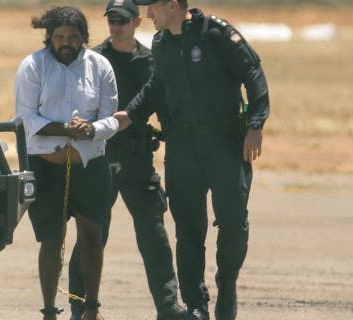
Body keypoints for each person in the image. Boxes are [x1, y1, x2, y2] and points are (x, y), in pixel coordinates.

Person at [113, 1, 270, 319]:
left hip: (225, 145)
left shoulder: (217, 34)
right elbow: (157, 86)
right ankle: (196, 304)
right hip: (183, 147)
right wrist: (129, 115)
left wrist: (255, 125)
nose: (149, 15)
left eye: (152, 8)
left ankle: (226, 289)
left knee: (232, 223)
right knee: (188, 229)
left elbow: (253, 74)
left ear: (172, 5)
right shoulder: (161, 42)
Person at [67, 1, 186, 319]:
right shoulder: (92, 60)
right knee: (93, 234)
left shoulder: (151, 61)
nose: (115, 25)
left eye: (122, 20)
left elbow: (165, 106)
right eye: (111, 19)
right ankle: (80, 307)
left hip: (137, 159)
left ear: (136, 21)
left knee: (153, 233)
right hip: (99, 157)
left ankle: (168, 306)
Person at [14, 6, 120, 320]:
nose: (65, 42)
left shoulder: (100, 66)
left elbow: (111, 120)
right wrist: (65, 130)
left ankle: (91, 308)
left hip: (89, 167)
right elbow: (25, 117)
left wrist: (90, 130)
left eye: (73, 37)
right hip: (47, 168)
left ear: (83, 38)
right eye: (59, 36)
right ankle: (49, 309)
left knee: (92, 236)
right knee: (52, 239)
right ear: (50, 37)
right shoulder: (33, 66)